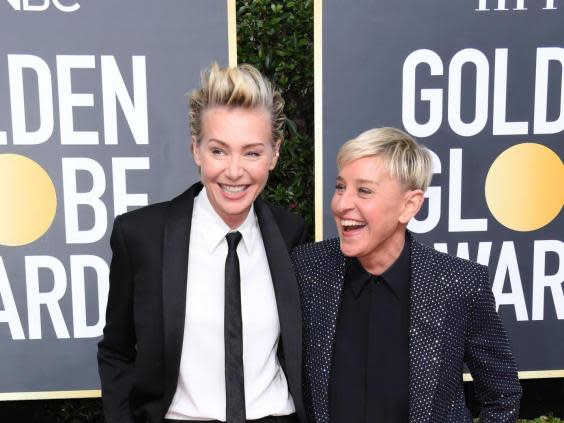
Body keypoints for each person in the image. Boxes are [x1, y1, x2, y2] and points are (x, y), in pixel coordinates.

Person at [98, 63, 308, 423]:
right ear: (196, 150)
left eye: (252, 152)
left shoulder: (293, 235)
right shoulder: (141, 237)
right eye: (219, 151)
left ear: (275, 153)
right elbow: (117, 351)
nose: (234, 170)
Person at [291, 127, 521, 423]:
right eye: (340, 187)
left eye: (364, 190)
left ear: (409, 205)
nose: (341, 204)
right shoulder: (307, 269)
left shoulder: (459, 284)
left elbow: (502, 396)